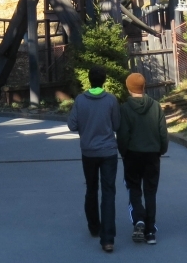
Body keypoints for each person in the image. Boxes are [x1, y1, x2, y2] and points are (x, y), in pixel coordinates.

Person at [67, 65, 120, 252]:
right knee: (108, 192)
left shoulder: (81, 100)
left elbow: (72, 125)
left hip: (89, 151)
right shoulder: (111, 100)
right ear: (104, 81)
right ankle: (108, 239)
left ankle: (94, 226)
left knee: (91, 188)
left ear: (89, 80)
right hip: (108, 152)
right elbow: (117, 125)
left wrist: (85, 126)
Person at [116, 72, 168, 245]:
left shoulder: (124, 109)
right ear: (144, 86)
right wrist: (161, 149)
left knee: (134, 188)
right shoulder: (156, 106)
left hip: (132, 154)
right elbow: (162, 132)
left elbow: (123, 135)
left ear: (128, 88)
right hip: (152, 154)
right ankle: (150, 231)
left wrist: (123, 151)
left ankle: (139, 218)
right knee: (150, 191)